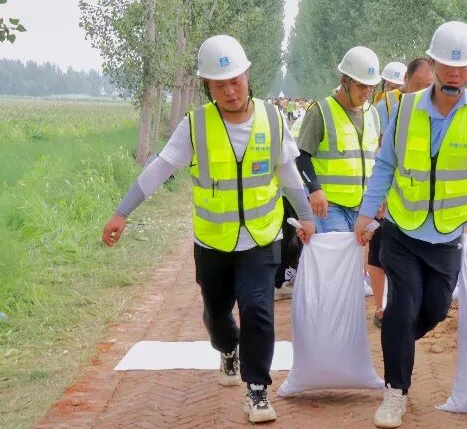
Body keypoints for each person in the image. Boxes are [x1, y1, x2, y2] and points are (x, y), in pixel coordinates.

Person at [101, 35, 315, 424]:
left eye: (236, 80)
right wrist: (122, 211)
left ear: (248, 75)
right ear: (208, 87)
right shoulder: (195, 125)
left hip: (262, 237)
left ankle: (257, 390)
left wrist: (307, 216)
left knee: (258, 309)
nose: (231, 91)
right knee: (217, 316)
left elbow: (288, 173)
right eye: (220, 84)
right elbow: (160, 168)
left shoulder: (272, 118)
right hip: (213, 242)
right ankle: (227, 349)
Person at [354, 21, 467, 429]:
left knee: (433, 311)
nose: (454, 73)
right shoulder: (403, 111)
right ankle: (395, 390)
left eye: (463, 66)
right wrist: (367, 213)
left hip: (448, 236)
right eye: (447, 65)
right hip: (401, 229)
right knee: (402, 306)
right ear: (432, 64)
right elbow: (385, 165)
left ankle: (398, 347)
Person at [369, 58, 435, 328]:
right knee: (380, 249)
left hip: (417, 198)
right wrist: (378, 195)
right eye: (417, 86)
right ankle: (381, 306)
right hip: (391, 189)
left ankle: (403, 304)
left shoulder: (436, 108)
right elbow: (380, 151)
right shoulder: (384, 107)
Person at [296, 46, 381, 233]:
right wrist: (314, 190)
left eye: (371, 86)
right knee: (338, 259)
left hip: (364, 208)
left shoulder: (373, 114)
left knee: (359, 262)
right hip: (330, 206)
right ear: (344, 80)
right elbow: (301, 157)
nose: (367, 91)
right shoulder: (320, 112)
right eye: (360, 85)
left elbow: (378, 161)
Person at [374, 61, 406, 130]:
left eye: (396, 87)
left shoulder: (409, 104)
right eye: (389, 86)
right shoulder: (382, 105)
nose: (392, 91)